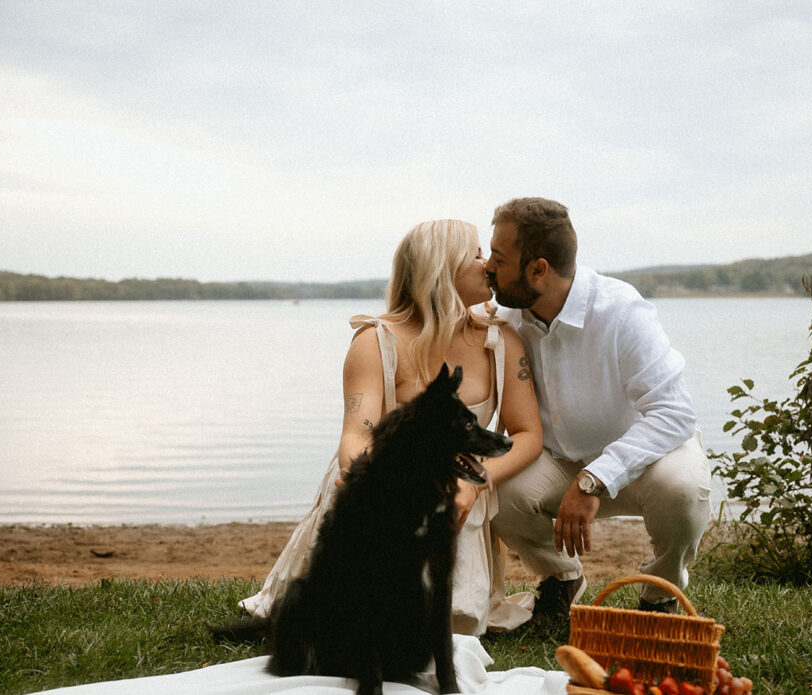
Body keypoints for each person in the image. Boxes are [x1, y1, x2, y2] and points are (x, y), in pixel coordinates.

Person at [239, 218, 543, 635]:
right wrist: (370, 476)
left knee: (445, 616)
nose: (488, 264)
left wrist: (475, 483)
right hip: (382, 471)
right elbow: (356, 433)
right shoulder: (375, 341)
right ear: (442, 267)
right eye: (475, 254)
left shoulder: (501, 342)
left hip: (460, 481)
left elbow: (527, 435)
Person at [484, 197, 712, 618]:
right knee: (495, 491)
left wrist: (596, 478)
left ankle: (660, 594)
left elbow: (674, 413)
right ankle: (562, 577)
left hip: (643, 465)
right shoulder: (505, 317)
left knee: (683, 489)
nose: (488, 268)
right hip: (557, 463)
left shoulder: (622, 310)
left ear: (538, 269)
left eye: (498, 258)